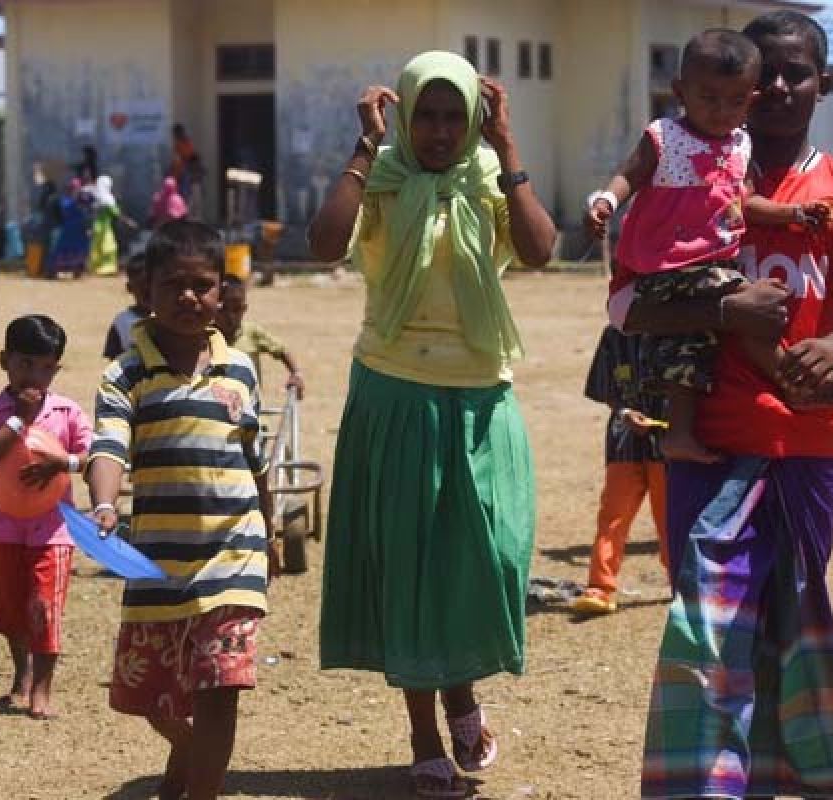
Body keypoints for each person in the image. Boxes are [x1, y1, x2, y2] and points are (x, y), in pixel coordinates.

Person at [628, 12, 833, 799]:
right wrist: (723, 313)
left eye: (796, 74)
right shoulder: (686, 186)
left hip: (809, 449)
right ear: (737, 87)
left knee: (795, 641)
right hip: (707, 448)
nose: (779, 88)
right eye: (765, 75)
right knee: (708, 639)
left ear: (824, 85)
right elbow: (631, 304)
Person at [308, 51, 556, 798]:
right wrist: (364, 149)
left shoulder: (488, 181)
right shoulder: (380, 183)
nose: (442, 132)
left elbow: (543, 250)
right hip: (396, 392)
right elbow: (323, 244)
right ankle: (423, 734)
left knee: (492, 558)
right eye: (428, 115)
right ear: (404, 116)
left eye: (457, 117)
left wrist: (509, 149)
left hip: (482, 396)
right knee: (411, 565)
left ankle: (462, 693)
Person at [86, 220, 276, 800]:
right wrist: (102, 504)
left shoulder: (240, 368)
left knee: (222, 685)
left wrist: (267, 528)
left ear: (223, 292)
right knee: (148, 694)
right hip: (159, 565)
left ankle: (202, 788)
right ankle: (191, 760)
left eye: (203, 284)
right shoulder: (125, 373)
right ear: (148, 290)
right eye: (174, 284)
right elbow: (110, 444)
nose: (190, 296)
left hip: (234, 559)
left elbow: (255, 454)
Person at [586, 28, 833, 465]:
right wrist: (607, 201)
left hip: (709, 262)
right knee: (756, 302)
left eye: (735, 101)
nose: (722, 112)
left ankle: (679, 434)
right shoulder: (664, 136)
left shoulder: (740, 145)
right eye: (709, 98)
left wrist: (793, 214)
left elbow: (747, 202)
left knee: (688, 350)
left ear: (750, 100)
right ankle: (785, 374)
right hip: (663, 264)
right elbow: (630, 174)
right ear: (680, 92)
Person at [0, 315, 92, 720]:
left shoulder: (67, 412)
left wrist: (62, 463)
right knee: (11, 607)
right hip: (3, 526)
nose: (35, 376)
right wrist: (18, 418)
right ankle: (22, 669)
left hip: (52, 528)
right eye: (25, 364)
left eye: (46, 367)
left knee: (43, 606)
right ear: (5, 361)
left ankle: (42, 690)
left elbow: (96, 460)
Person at [570, 326, 670, 615]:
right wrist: (625, 412)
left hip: (667, 445)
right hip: (623, 443)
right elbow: (604, 387)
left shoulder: (679, 330)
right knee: (613, 516)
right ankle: (600, 588)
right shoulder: (615, 335)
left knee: (670, 519)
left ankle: (683, 585)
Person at [215, 275, 306, 398]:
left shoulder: (252, 333)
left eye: (237, 309)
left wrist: (296, 374)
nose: (230, 316)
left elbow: (281, 350)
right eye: (223, 309)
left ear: (244, 308)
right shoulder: (205, 336)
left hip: (248, 405)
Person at [102, 255, 150, 360]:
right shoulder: (122, 322)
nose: (147, 291)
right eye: (141, 287)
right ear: (129, 288)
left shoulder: (169, 318)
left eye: (150, 285)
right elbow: (114, 358)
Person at [89, 175, 136, 277]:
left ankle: (94, 268)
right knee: (109, 247)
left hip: (96, 226)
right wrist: (128, 221)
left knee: (96, 248)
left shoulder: (95, 196)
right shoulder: (107, 198)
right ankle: (106, 269)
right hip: (105, 227)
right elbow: (116, 213)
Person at [47, 178, 90, 278]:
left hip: (79, 229)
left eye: (76, 188)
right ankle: (53, 271)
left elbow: (87, 212)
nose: (75, 190)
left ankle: (77, 271)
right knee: (63, 249)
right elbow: (63, 212)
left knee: (79, 250)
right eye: (73, 188)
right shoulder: (64, 200)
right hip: (68, 228)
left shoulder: (83, 198)